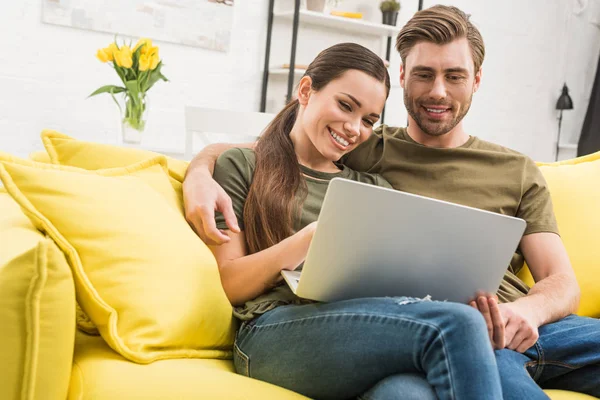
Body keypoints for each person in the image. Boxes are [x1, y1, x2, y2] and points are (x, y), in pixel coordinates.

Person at [184, 7, 600, 399]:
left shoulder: (376, 175)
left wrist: (527, 310)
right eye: (424, 74)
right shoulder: (365, 151)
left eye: (454, 75)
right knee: (447, 342)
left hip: (522, 323)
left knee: (407, 388)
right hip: (430, 325)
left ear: (476, 80)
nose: (438, 91)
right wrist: (201, 170)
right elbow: (274, 149)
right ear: (403, 76)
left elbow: (561, 281)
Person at [193, 42, 504, 400]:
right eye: (345, 105)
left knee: (406, 394)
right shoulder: (242, 166)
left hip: (357, 332)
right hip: (269, 334)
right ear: (306, 90)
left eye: (369, 120)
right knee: (458, 325)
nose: (354, 128)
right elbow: (228, 282)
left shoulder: (373, 188)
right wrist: (310, 239)